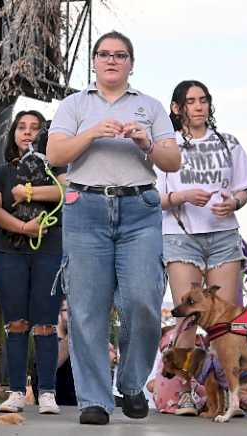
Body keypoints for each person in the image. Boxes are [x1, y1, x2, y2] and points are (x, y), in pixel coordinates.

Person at [46, 31, 180, 425]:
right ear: (94, 61)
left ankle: (133, 383)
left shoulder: (150, 106)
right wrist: (91, 133)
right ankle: (94, 399)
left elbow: (172, 161)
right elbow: (55, 154)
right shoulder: (74, 105)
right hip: (85, 207)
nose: (111, 60)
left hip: (138, 207)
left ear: (131, 64)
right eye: (104, 54)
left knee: (143, 298)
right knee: (87, 309)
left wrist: (146, 143)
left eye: (120, 55)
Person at [156, 80, 247, 416]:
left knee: (225, 321)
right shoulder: (166, 147)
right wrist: (181, 197)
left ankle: (229, 396)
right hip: (180, 234)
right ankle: (185, 393)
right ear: (177, 108)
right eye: (191, 101)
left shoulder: (228, 143)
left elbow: (243, 191)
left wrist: (234, 202)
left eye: (203, 100)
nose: (199, 107)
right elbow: (152, 198)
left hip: (223, 236)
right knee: (186, 320)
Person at [0, 110, 66, 414]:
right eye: (22, 127)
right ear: (14, 134)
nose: (28, 133)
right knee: (16, 323)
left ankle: (47, 391)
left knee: (46, 323)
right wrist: (23, 228)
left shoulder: (55, 169)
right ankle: (17, 391)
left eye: (35, 128)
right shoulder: (0, 173)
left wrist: (29, 191)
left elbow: (66, 191)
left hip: (49, 250)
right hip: (9, 251)